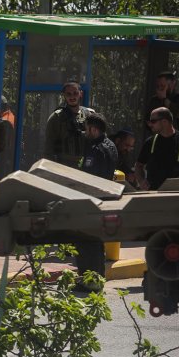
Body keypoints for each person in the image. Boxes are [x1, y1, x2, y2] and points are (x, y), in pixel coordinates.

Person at [76, 112, 118, 279]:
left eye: (87, 129)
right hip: (104, 199)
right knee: (97, 241)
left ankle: (88, 278)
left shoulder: (96, 149)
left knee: (87, 241)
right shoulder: (111, 145)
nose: (86, 132)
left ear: (93, 129)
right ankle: (96, 277)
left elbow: (89, 178)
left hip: (93, 201)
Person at [134, 107, 179, 191]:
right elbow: (138, 165)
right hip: (153, 195)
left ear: (164, 122)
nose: (150, 125)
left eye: (153, 121)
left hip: (176, 195)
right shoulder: (150, 142)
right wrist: (141, 181)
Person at [44, 81, 95, 168]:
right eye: (69, 94)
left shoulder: (90, 115)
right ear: (64, 95)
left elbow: (99, 141)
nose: (72, 97)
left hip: (86, 166)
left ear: (81, 94)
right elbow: (49, 148)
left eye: (75, 93)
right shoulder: (56, 117)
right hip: (64, 167)